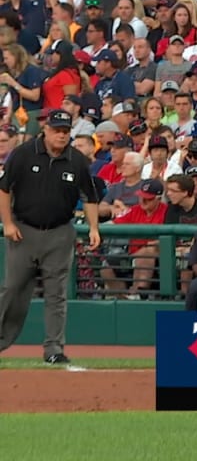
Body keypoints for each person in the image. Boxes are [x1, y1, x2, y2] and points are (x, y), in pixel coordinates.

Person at [0, 110, 101, 364]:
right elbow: (3, 189)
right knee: (13, 290)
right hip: (24, 231)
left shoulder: (77, 160)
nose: (61, 135)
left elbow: (90, 197)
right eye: (57, 130)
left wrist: (93, 228)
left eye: (66, 131)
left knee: (56, 293)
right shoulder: (23, 154)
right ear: (45, 129)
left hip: (59, 232)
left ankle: (54, 348)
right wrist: (8, 223)